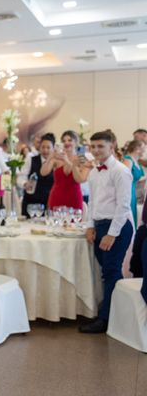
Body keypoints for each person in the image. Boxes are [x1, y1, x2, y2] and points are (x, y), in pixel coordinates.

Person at [79, 131, 133, 333]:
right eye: (93, 147)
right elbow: (92, 203)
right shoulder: (93, 172)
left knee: (110, 272)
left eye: (100, 146)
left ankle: (106, 319)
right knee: (108, 272)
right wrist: (90, 226)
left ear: (112, 147)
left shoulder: (120, 171)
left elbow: (123, 205)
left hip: (117, 226)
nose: (96, 151)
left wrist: (112, 233)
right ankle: (116, 312)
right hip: (100, 225)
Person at [42, 130, 83, 210]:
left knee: (74, 221)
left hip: (74, 197)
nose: (66, 143)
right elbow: (43, 173)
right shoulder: (57, 159)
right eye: (64, 141)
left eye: (69, 140)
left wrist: (66, 160)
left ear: (76, 142)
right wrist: (50, 157)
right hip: (57, 197)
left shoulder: (80, 159)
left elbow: (80, 178)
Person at [19, 133, 55, 217]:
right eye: (43, 147)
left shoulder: (56, 163)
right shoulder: (30, 159)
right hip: (31, 203)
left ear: (53, 148)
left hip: (49, 202)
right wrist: (25, 183)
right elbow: (21, 177)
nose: (45, 150)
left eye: (48, 147)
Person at [123, 140, 145, 225]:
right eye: (143, 147)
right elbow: (124, 179)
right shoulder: (128, 160)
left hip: (133, 191)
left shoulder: (136, 161)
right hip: (128, 192)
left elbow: (137, 180)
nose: (144, 150)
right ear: (137, 148)